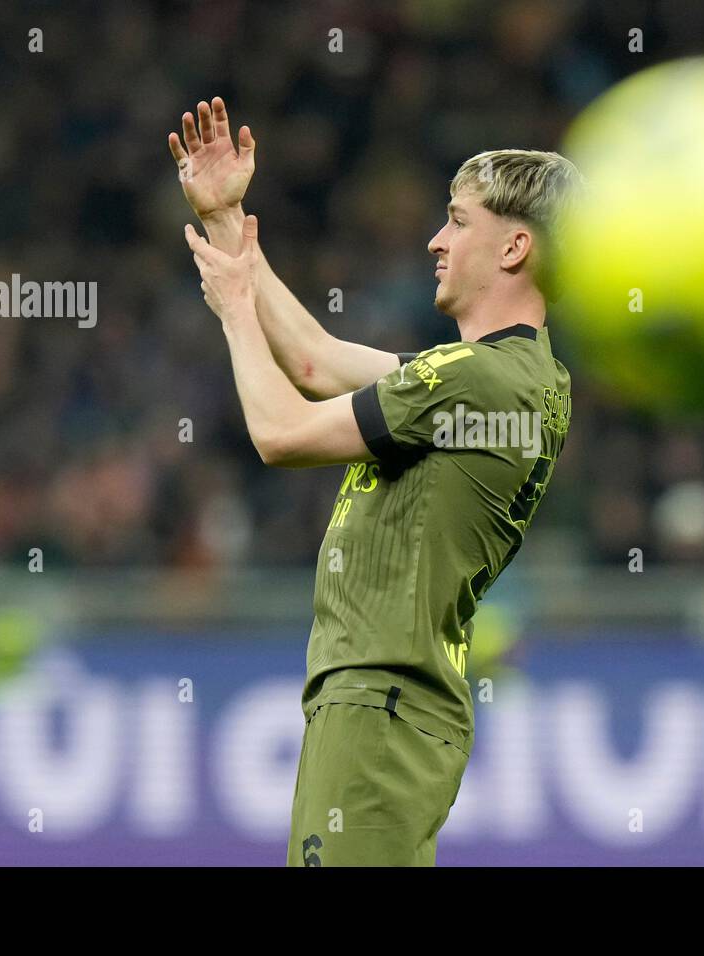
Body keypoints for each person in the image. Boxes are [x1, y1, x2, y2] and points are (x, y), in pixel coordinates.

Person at [167, 98, 580, 865]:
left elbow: (281, 433)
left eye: (458, 222)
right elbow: (317, 361)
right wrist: (230, 222)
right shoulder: (517, 378)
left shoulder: (476, 381)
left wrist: (232, 313)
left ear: (515, 246)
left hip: (382, 696)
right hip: (391, 700)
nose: (436, 239)